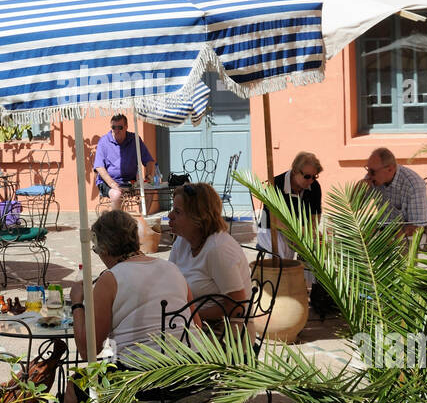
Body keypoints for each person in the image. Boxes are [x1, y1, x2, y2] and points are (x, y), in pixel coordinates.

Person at [70, 209, 191, 363]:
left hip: (139, 372)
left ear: (104, 248)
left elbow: (88, 351)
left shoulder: (110, 279)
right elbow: (196, 324)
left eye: (96, 249)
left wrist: (77, 303)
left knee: (75, 383)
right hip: (189, 364)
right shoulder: (172, 268)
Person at [168, 182, 252, 327]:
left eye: (177, 212)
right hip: (192, 322)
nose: (169, 216)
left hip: (226, 330)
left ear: (198, 218)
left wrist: (190, 316)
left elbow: (237, 306)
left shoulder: (218, 249)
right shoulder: (182, 241)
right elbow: (170, 281)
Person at [256, 151, 323, 276]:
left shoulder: (314, 187)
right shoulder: (276, 184)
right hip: (270, 230)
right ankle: (282, 285)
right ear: (295, 171)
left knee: (315, 255)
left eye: (315, 177)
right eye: (307, 176)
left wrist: (310, 233)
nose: (311, 181)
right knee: (282, 260)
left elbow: (315, 217)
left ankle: (307, 287)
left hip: (298, 232)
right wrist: (298, 234)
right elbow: (275, 220)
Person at [364, 147, 427, 243]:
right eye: (367, 169)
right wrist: (360, 188)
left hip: (420, 230)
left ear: (390, 169)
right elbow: (354, 208)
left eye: (372, 171)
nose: (368, 174)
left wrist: (386, 238)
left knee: (401, 247)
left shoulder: (413, 184)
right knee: (354, 243)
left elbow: (417, 227)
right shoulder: (372, 179)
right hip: (387, 228)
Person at [93, 114, 155, 211]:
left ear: (126, 127)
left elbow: (149, 161)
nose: (116, 130)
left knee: (149, 191)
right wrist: (113, 184)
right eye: (114, 127)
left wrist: (149, 177)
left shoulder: (135, 140)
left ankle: (141, 219)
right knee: (117, 195)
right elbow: (99, 167)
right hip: (108, 182)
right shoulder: (104, 141)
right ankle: (118, 223)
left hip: (130, 182)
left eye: (120, 127)